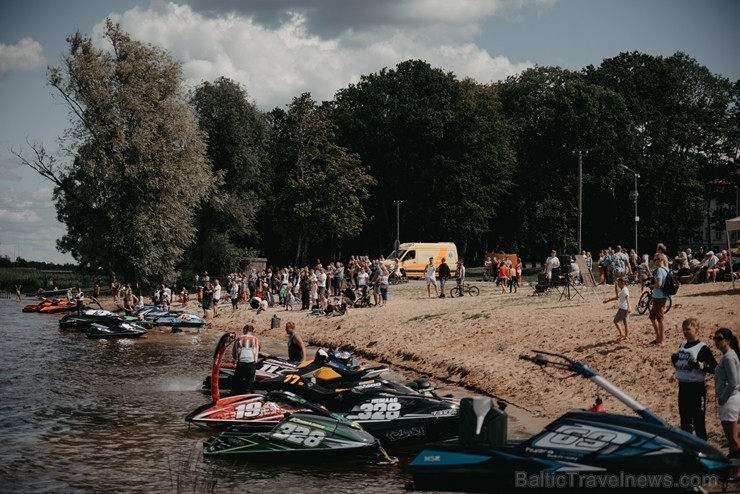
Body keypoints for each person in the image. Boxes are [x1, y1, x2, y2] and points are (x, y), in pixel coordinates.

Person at [671, 318, 717, 441]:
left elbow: (715, 368)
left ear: (696, 330)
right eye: (683, 329)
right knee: (685, 420)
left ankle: (703, 450)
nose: (685, 332)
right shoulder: (682, 345)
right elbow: (679, 363)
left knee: (698, 421)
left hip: (696, 389)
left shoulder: (702, 348)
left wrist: (701, 366)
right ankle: (688, 449)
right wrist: (674, 361)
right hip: (683, 387)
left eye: (688, 329)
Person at [713, 327, 740, 457]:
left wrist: (723, 398)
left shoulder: (729, 357)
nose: (716, 341)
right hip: (730, 399)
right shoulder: (729, 355)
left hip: (729, 400)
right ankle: (733, 469)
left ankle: (737, 470)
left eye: (719, 339)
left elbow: (733, 382)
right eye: (715, 338)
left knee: (732, 438)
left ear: (728, 340)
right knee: (730, 439)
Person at [231, 324, 259, 395]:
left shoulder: (239, 338)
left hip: (241, 362)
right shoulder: (255, 339)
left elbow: (234, 350)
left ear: (245, 330)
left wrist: (234, 359)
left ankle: (232, 397)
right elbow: (257, 350)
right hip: (251, 363)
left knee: (236, 383)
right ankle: (247, 396)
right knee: (249, 385)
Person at [648, 252, 669, 346]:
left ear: (660, 260)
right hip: (659, 297)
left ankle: (661, 340)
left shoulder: (660, 270)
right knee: (652, 318)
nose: (655, 262)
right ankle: (658, 337)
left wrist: (652, 285)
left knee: (660, 320)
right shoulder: (666, 269)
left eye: (656, 260)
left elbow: (659, 283)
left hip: (659, 297)